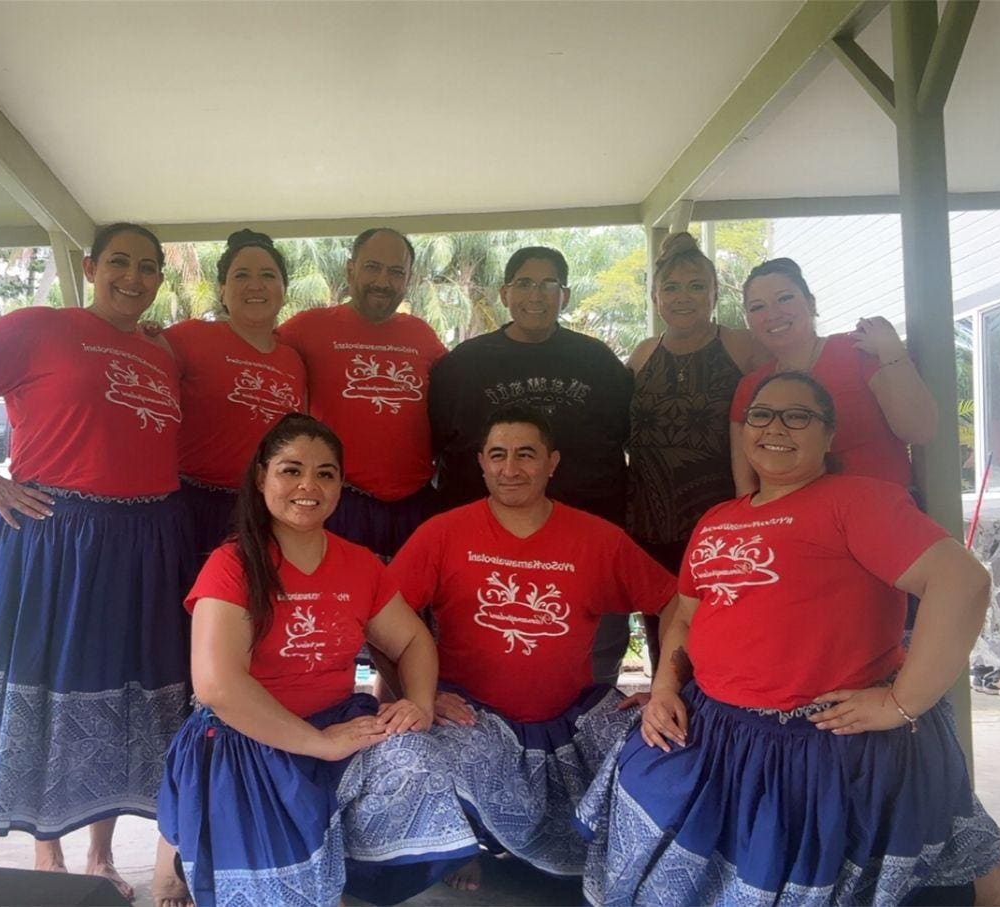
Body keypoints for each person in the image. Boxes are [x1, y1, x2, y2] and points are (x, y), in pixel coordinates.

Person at [578, 372, 1000, 906]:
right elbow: (687, 618)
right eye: (761, 415)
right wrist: (666, 686)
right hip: (720, 731)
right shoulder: (718, 520)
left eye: (798, 415)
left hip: (821, 741)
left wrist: (903, 702)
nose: (775, 427)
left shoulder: (857, 501)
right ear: (744, 432)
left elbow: (962, 581)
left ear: (829, 435)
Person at [0, 222, 192, 902]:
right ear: (91, 265)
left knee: (119, 690)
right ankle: (50, 854)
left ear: (160, 279)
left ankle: (101, 854)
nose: (133, 277)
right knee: (52, 684)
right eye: (120, 263)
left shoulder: (161, 353)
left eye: (148, 267)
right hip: (57, 534)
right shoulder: (38, 325)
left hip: (147, 536)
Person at [157, 414, 478, 907]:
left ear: (340, 485)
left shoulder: (359, 563)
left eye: (326, 473)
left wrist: (418, 701)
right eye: (291, 470)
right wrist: (317, 743)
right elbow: (217, 686)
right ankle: (180, 852)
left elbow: (412, 642)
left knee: (419, 757)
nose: (309, 485)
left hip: (335, 724)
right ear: (262, 477)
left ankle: (342, 865)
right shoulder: (233, 564)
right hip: (251, 740)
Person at [390, 404, 677, 888]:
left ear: (553, 462)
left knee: (662, 745)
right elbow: (382, 617)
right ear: (480, 462)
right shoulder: (442, 533)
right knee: (418, 745)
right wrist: (418, 693)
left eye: (526, 455)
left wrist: (667, 686)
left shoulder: (597, 538)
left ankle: (624, 866)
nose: (510, 468)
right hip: (472, 712)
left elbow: (674, 601)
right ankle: (461, 845)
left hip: (568, 715)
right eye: (497, 455)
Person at [430, 247, 636, 685]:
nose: (536, 295)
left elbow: (624, 438)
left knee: (590, 671)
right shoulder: (463, 365)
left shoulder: (598, 363)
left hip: (583, 543)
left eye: (548, 284)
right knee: (482, 671)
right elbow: (438, 450)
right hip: (487, 550)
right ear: (505, 292)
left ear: (565, 295)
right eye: (524, 283)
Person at [278, 227, 445, 557]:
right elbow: (252, 349)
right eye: (372, 267)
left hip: (415, 505)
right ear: (350, 268)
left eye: (396, 271)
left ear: (408, 279)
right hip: (340, 503)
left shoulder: (422, 335)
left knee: (410, 606)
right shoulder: (308, 328)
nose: (383, 281)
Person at [731, 257, 938, 495]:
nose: (772, 314)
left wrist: (892, 351)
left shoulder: (858, 349)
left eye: (785, 298)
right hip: (796, 524)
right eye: (757, 307)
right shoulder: (750, 387)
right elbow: (746, 488)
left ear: (811, 303)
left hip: (878, 513)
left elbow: (920, 430)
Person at [163, 229, 307, 564]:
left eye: (268, 275)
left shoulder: (294, 360)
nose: (255, 285)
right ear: (222, 290)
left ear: (283, 289)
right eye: (241, 275)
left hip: (263, 510)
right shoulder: (188, 337)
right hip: (191, 507)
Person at [625, 232, 766, 572]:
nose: (682, 297)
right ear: (655, 297)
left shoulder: (743, 347)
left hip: (726, 519)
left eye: (696, 286)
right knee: (662, 622)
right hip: (648, 524)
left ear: (715, 293)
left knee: (724, 622)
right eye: (670, 288)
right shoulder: (644, 354)